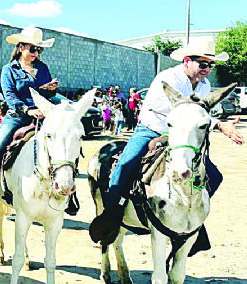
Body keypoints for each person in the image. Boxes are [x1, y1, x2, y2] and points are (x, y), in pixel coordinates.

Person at [89, 40, 244, 245]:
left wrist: (216, 123)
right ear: (187, 61)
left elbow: (197, 115)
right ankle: (111, 216)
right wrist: (219, 125)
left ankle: (192, 220)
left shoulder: (204, 85)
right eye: (203, 64)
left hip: (182, 137)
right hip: (152, 129)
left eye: (211, 65)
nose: (207, 70)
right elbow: (181, 112)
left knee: (213, 176)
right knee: (125, 166)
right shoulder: (169, 78)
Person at [0, 27, 59, 214]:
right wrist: (28, 109)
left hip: (43, 113)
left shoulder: (42, 68)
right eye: (33, 49)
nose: (36, 53)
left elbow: (44, 93)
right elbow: (10, 95)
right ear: (21, 47)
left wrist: (50, 89)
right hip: (17, 116)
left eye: (39, 50)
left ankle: (68, 196)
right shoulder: (8, 69)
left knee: (64, 145)